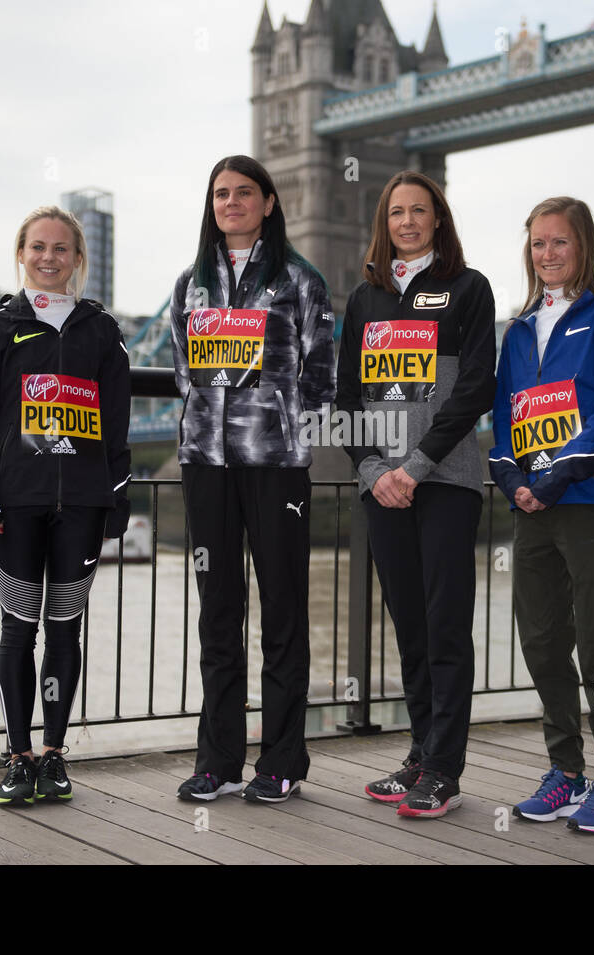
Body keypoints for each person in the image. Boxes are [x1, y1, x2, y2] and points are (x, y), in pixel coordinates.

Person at [169, 155, 336, 805]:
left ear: (269, 202)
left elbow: (322, 374)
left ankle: (284, 760)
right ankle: (217, 760)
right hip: (205, 466)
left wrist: (285, 428)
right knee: (218, 613)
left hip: (277, 468)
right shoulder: (191, 284)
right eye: (220, 194)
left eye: (243, 193)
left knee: (285, 612)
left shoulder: (300, 280)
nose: (231, 203)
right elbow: (185, 374)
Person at [0, 205, 132, 806]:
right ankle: (17, 754)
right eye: (38, 247)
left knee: (64, 631)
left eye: (61, 249)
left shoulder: (101, 330)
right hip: (17, 502)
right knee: (16, 630)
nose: (49, 258)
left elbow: (117, 424)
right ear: (22, 254)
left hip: (81, 503)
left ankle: (54, 756)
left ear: (77, 260)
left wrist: (117, 495)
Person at [335, 170, 496, 818]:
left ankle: (445, 771)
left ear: (438, 219)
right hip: (385, 491)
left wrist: (419, 464)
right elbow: (346, 397)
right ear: (385, 223)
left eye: (418, 211)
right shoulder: (364, 299)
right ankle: (420, 753)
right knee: (409, 628)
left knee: (446, 625)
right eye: (396, 212)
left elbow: (477, 386)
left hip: (446, 482)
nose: (406, 222)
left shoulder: (467, 289)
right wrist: (375, 471)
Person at [488, 196, 594, 834]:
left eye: (560, 242)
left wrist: (556, 476)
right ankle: (566, 772)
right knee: (543, 641)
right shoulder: (520, 328)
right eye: (538, 244)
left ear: (584, 246)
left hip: (585, 501)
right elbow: (503, 415)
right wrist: (513, 478)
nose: (547, 255)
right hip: (531, 507)